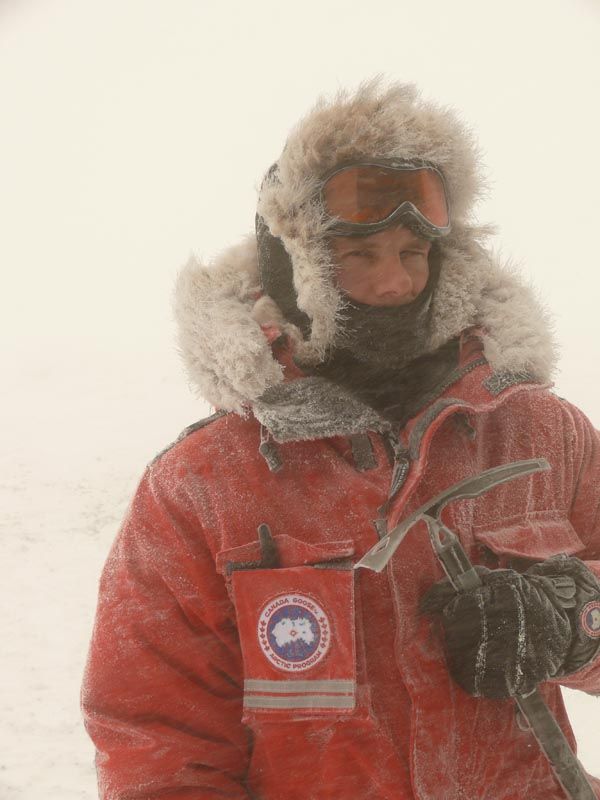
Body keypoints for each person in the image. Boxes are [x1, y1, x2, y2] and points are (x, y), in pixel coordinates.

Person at [82, 80, 600, 800]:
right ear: (296, 270)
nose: (395, 281)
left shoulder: (544, 433)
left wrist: (574, 619)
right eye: (359, 254)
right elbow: (159, 750)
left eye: (414, 250)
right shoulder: (201, 484)